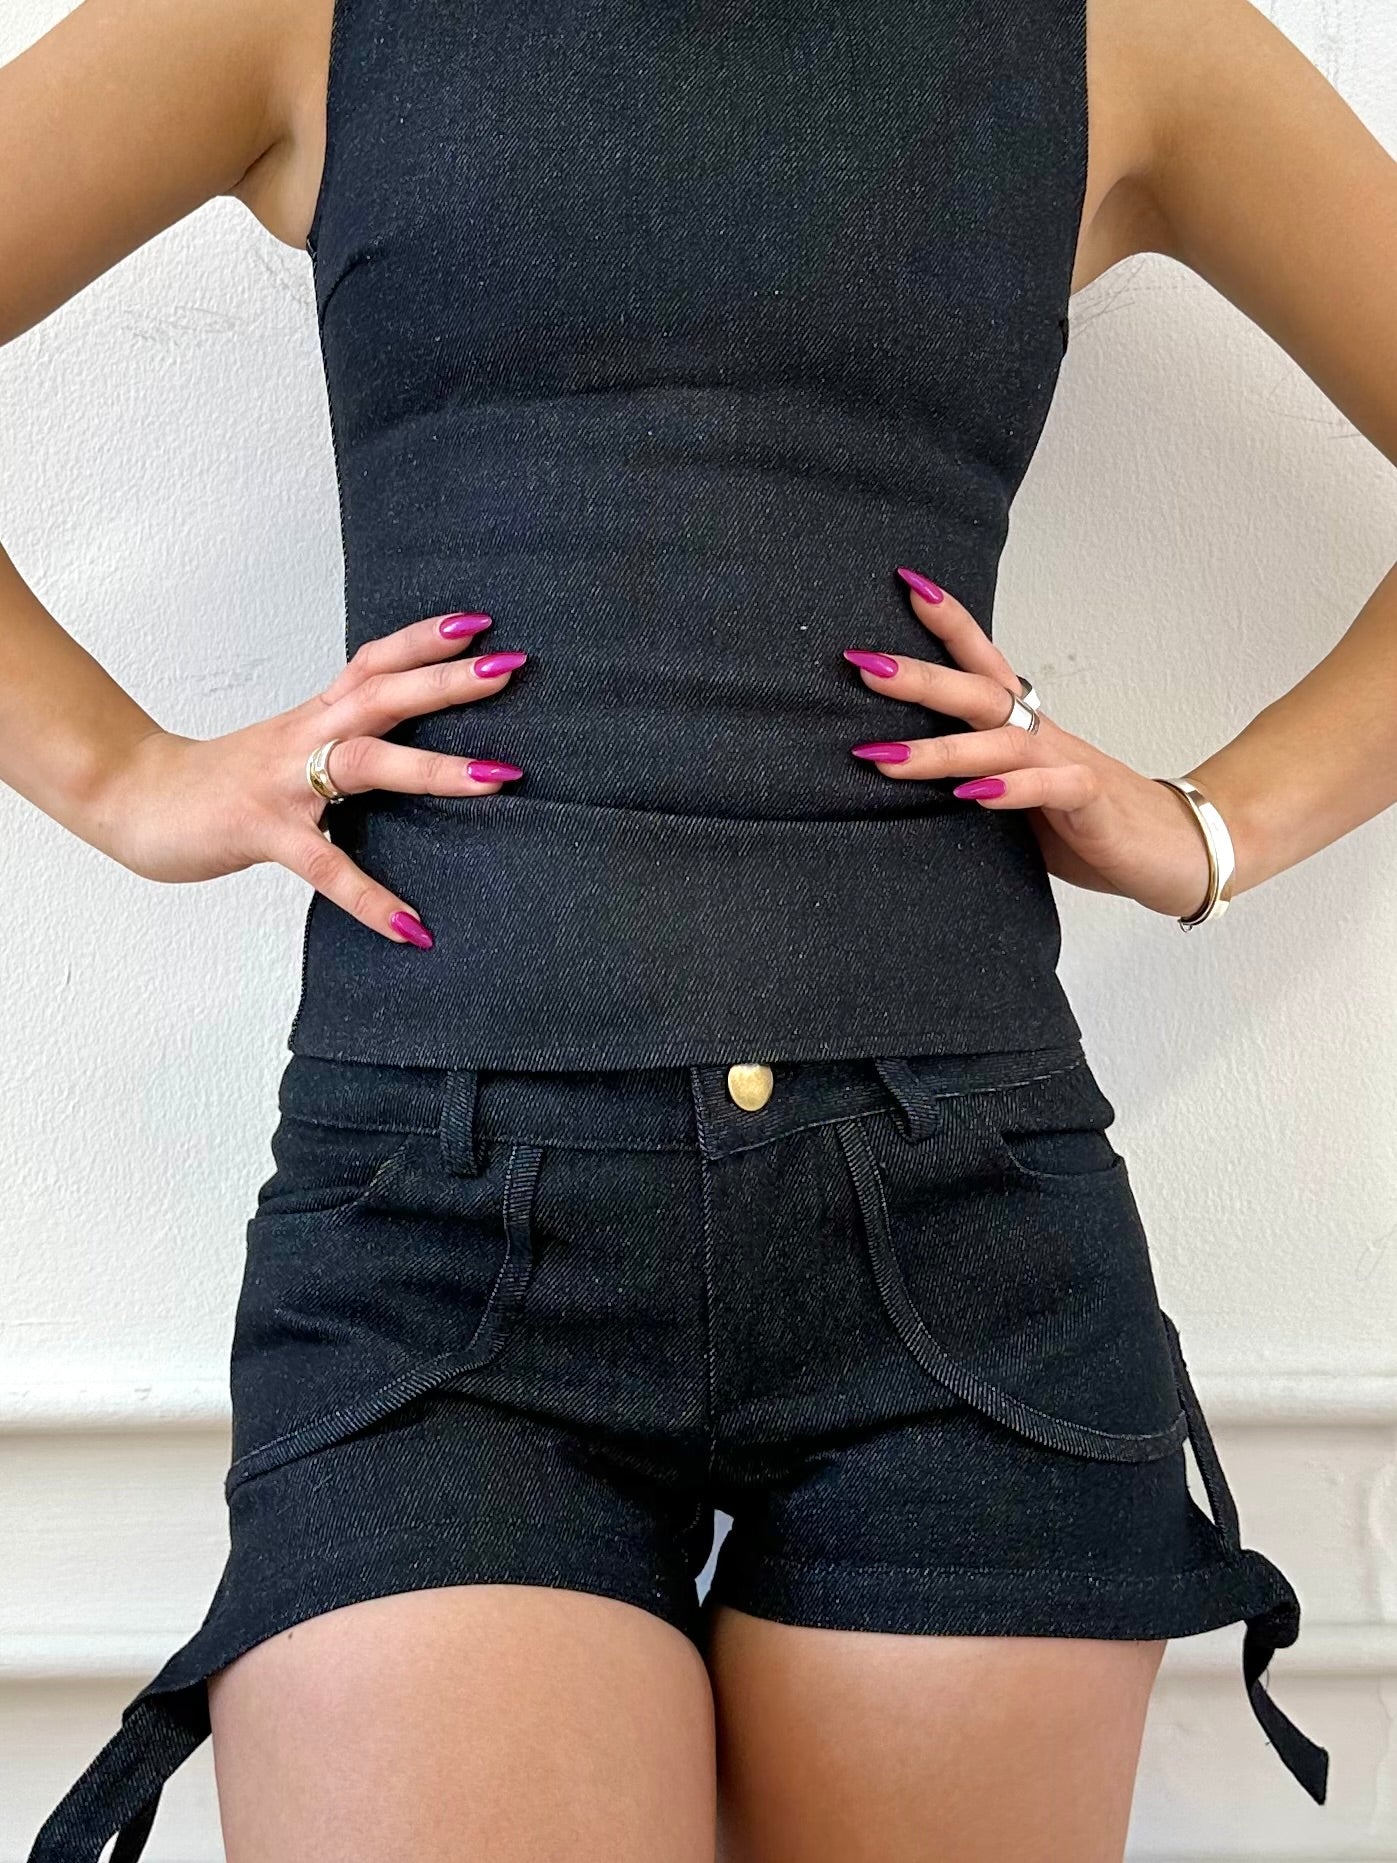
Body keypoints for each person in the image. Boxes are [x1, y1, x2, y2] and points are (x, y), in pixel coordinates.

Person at [6, 0, 1392, 1853]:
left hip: (959, 1228)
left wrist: (1209, 827)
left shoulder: (1127, 36)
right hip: (436, 1232)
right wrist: (116, 778)